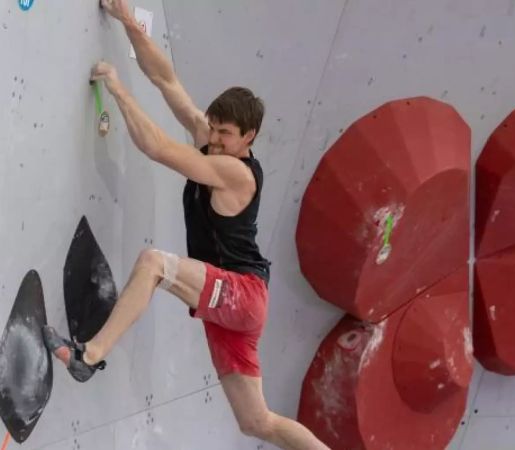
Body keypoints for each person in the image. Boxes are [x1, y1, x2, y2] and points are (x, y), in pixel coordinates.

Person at [41, 1, 329, 448]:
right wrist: (127, 21)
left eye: (224, 134)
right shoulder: (214, 143)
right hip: (230, 306)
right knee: (257, 422)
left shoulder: (235, 172)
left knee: (156, 264)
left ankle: (90, 355)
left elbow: (156, 148)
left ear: (248, 138)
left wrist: (117, 89)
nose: (213, 138)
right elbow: (166, 79)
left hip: (242, 293)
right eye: (211, 127)